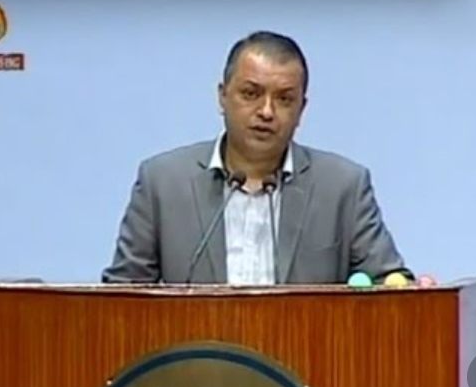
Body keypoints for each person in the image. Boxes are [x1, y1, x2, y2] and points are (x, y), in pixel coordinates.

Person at [102, 30, 414, 285]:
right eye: (251, 94)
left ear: (301, 110)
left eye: (284, 99)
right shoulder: (162, 182)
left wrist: (409, 293)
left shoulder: (343, 187)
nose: (266, 112)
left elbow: (389, 284)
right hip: (197, 346)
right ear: (223, 96)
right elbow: (121, 298)